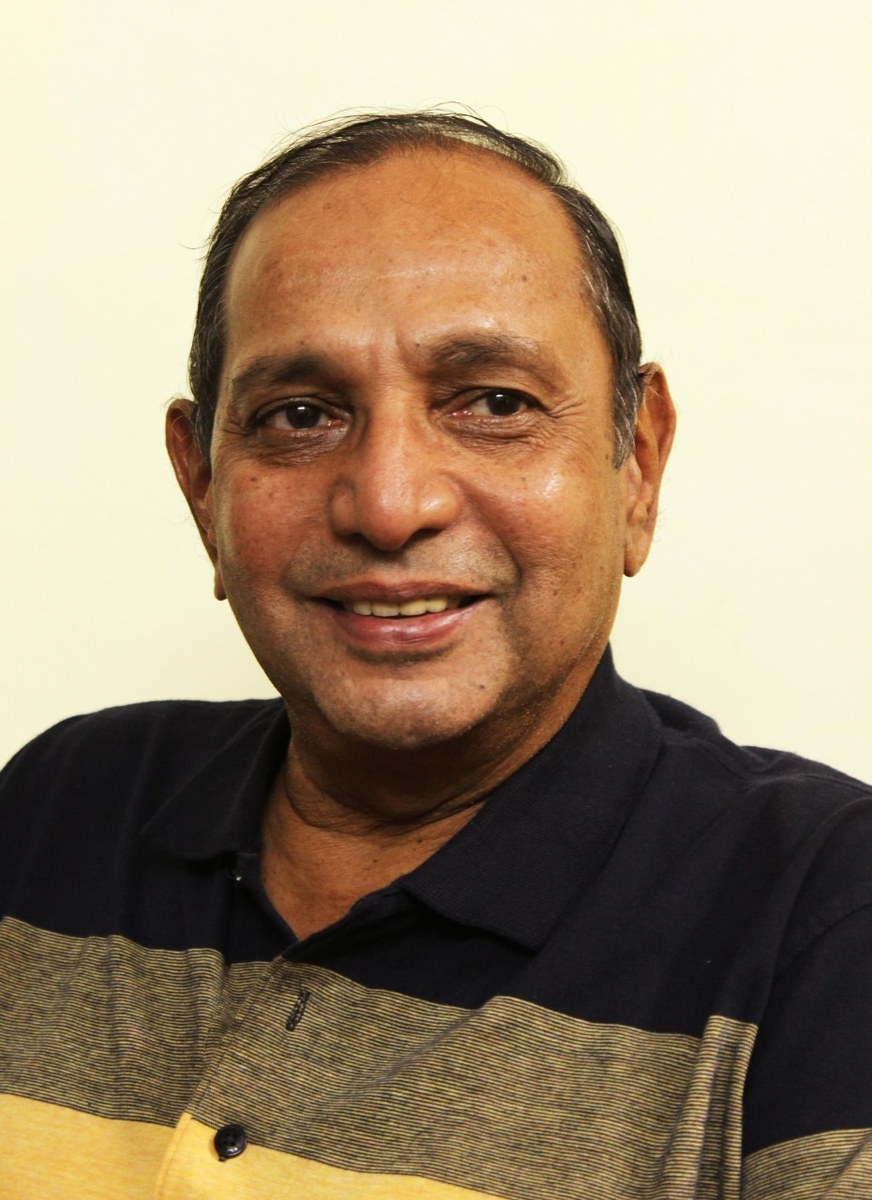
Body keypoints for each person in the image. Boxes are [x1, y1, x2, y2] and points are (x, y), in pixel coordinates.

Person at [1, 111, 871, 1200]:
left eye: (495, 403)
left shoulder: (825, 916)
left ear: (637, 464)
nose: (388, 502)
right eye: (301, 414)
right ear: (201, 486)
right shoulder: (56, 813)